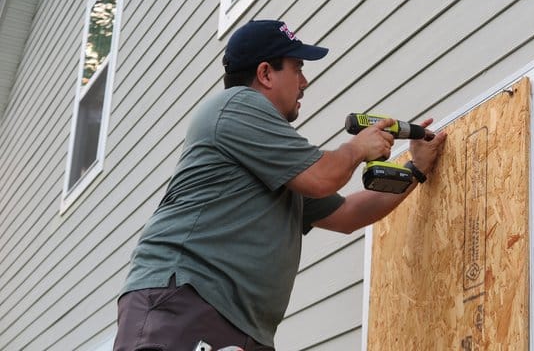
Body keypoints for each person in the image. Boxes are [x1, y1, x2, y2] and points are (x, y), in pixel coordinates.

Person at [114, 19, 446, 351]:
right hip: (187, 299)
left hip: (240, 325)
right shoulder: (236, 105)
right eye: (297, 68)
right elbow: (322, 177)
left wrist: (415, 168)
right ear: (265, 74)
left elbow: (348, 214)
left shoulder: (278, 160)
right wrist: (358, 148)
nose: (304, 82)